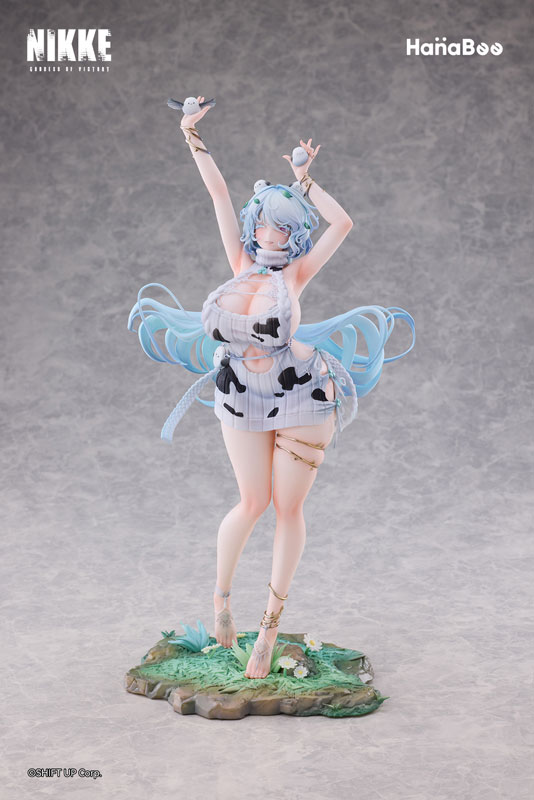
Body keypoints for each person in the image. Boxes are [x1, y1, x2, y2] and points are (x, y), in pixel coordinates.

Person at [128, 96, 415, 679]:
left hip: (302, 394)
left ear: (295, 233)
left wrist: (305, 180)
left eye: (283, 226)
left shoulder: (298, 273)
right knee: (251, 502)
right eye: (264, 223)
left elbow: (343, 223)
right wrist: (190, 133)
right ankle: (222, 603)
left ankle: (268, 630)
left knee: (288, 507)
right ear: (254, 224)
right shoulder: (240, 261)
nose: (270, 233)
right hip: (239, 393)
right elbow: (217, 193)